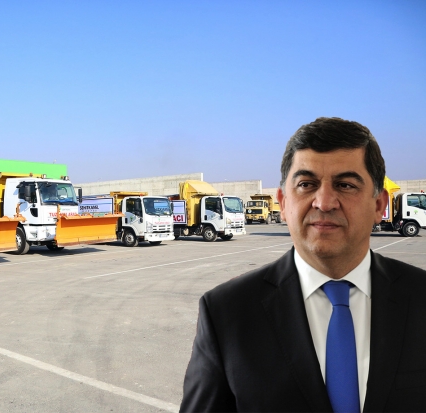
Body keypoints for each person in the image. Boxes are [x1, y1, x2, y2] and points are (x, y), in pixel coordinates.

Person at [180, 117, 426, 412]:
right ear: (283, 203)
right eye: (306, 184)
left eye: (345, 185)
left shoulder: (420, 296)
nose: (324, 202)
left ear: (379, 205)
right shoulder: (226, 313)